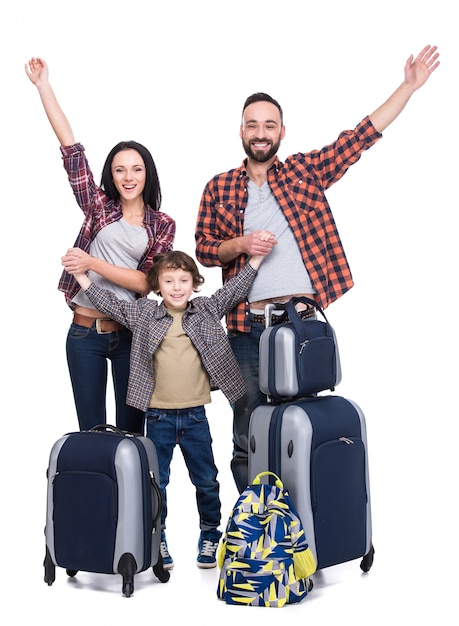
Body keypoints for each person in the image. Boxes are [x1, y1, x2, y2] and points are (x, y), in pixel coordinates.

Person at [195, 44, 441, 493]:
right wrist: (242, 244)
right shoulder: (219, 186)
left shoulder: (304, 172)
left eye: (269, 124)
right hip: (245, 328)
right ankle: (257, 531)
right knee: (247, 430)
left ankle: (303, 527)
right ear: (241, 131)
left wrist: (407, 87)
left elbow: (359, 137)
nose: (261, 132)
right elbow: (204, 250)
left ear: (282, 131)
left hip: (301, 325)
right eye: (253, 124)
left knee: (304, 426)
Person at [64, 246, 272, 569]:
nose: (177, 287)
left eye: (184, 280)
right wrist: (81, 277)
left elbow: (234, 290)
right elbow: (110, 304)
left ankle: (209, 533)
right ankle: (156, 535)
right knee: (156, 482)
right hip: (158, 417)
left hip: (195, 417)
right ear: (157, 285)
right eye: (169, 280)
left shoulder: (204, 309)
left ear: (195, 284)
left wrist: (256, 260)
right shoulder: (145, 313)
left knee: (206, 479)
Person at [25, 57, 176, 434]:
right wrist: (43, 85)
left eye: (136, 169)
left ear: (147, 173)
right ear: (111, 174)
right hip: (85, 333)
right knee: (91, 435)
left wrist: (90, 262)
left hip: (132, 335)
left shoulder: (162, 225)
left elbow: (146, 283)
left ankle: (133, 495)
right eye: (120, 169)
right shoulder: (98, 207)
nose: (128, 177)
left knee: (131, 435)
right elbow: (71, 151)